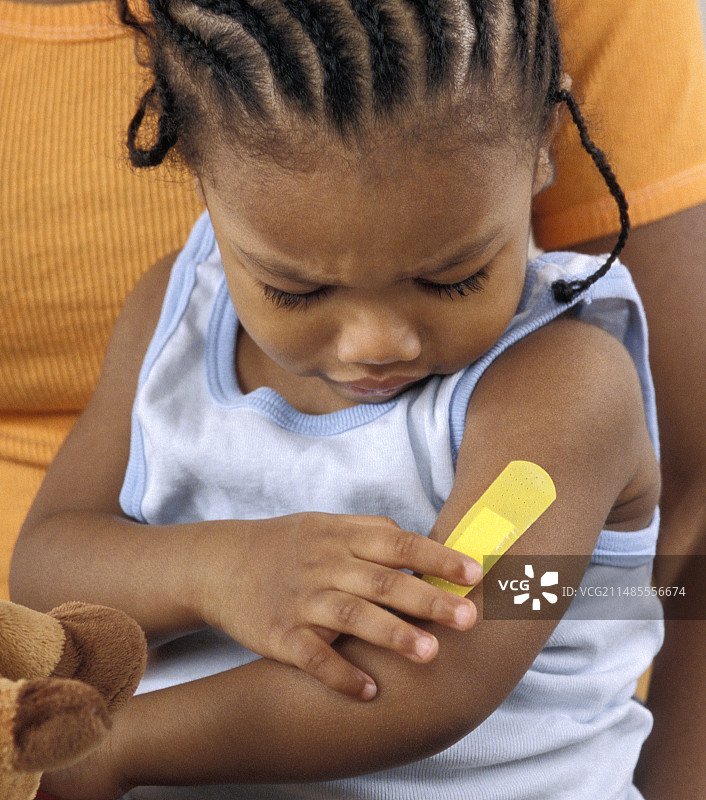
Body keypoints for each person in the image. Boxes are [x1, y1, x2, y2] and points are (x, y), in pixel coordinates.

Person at [2, 0, 705, 797]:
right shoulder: (173, 323)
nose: (376, 342)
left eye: (452, 278)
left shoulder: (564, 394)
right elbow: (44, 569)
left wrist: (116, 749)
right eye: (295, 289)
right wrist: (218, 569)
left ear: (543, 147)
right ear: (197, 163)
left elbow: (437, 672)